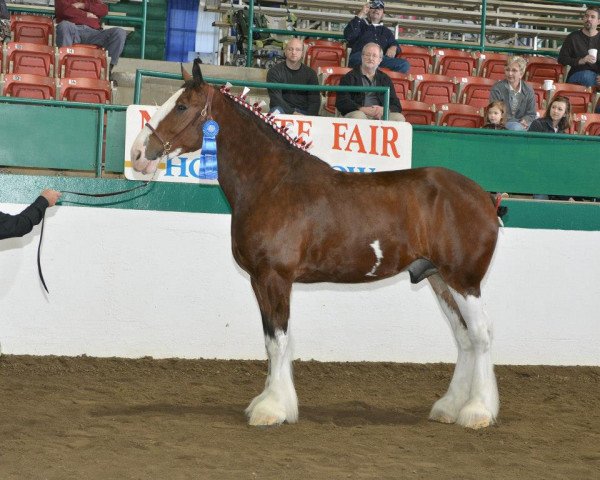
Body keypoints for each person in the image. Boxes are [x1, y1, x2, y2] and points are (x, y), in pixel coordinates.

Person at [54, 0, 127, 83]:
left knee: (119, 32)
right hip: (73, 29)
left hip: (94, 33)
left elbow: (103, 10)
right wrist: (86, 14)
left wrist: (82, 5)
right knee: (64, 25)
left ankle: (107, 71)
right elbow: (63, 10)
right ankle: (64, 68)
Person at [335, 42, 405, 121]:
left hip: (380, 114)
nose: (370, 58)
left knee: (399, 118)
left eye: (374, 56)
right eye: (367, 55)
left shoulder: (385, 79)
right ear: (362, 56)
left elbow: (396, 105)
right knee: (359, 116)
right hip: (359, 112)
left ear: (380, 60)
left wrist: (384, 110)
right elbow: (342, 102)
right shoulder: (348, 77)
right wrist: (362, 109)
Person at [344, 1, 409, 74]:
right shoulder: (359, 24)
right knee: (357, 58)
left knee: (403, 64)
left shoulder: (386, 31)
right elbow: (348, 36)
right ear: (368, 10)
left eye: (380, 9)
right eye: (373, 8)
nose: (376, 10)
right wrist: (361, 13)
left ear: (383, 14)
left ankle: (380, 80)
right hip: (362, 57)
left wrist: (394, 47)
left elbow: (394, 44)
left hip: (380, 59)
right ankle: (375, 77)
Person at [266, 37, 320, 116]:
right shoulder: (274, 71)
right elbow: (276, 99)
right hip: (282, 110)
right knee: (275, 112)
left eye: (297, 50)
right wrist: (292, 113)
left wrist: (309, 118)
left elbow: (314, 102)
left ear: (302, 53)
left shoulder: (311, 74)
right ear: (285, 51)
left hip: (304, 112)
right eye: (290, 49)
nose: (294, 52)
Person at [489, 56, 536, 131]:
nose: (510, 73)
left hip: (523, 125)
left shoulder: (529, 90)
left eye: (514, 70)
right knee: (515, 127)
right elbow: (495, 111)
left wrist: (525, 120)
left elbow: (531, 114)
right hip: (503, 123)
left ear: (521, 73)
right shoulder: (497, 88)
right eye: (507, 70)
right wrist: (518, 123)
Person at [558, 7, 600, 87]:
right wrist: (581, 60)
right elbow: (562, 59)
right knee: (587, 76)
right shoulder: (573, 37)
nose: (589, 19)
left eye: (592, 17)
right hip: (578, 73)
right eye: (586, 16)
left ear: (598, 21)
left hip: (597, 76)